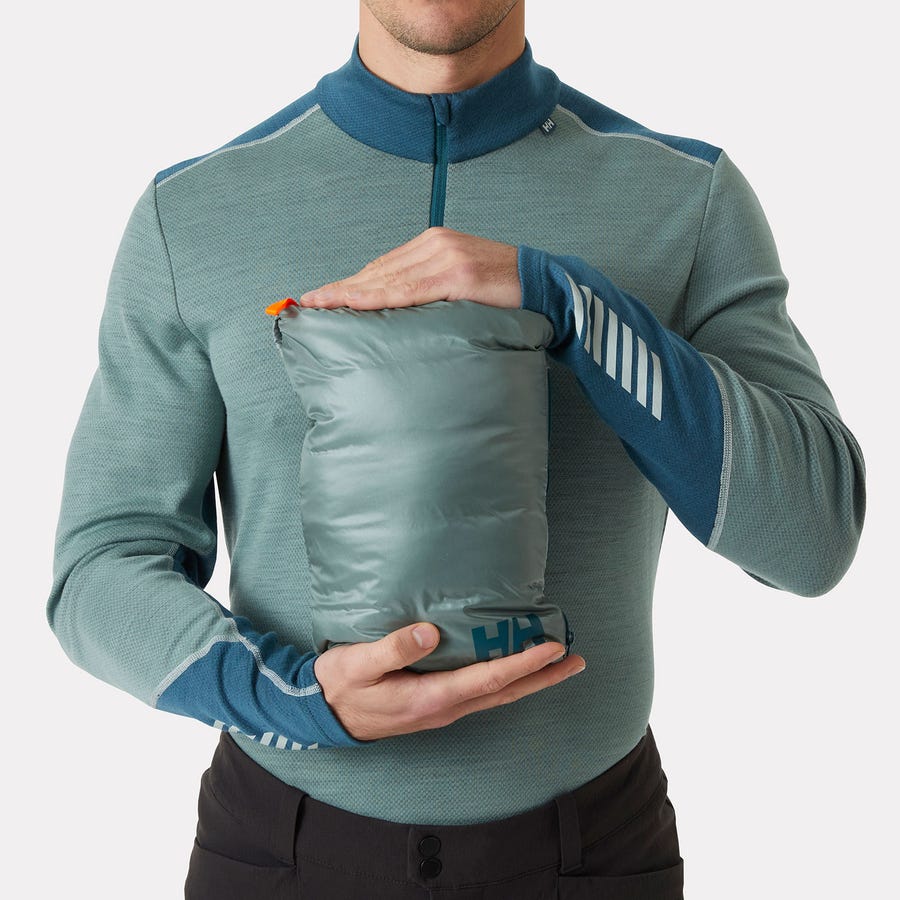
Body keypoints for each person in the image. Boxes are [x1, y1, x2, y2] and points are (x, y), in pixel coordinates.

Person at [45, 1, 866, 897]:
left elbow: (812, 539)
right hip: (281, 845)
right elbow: (100, 569)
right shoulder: (193, 213)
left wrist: (572, 304)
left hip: (590, 851)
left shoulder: (685, 197)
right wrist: (290, 699)